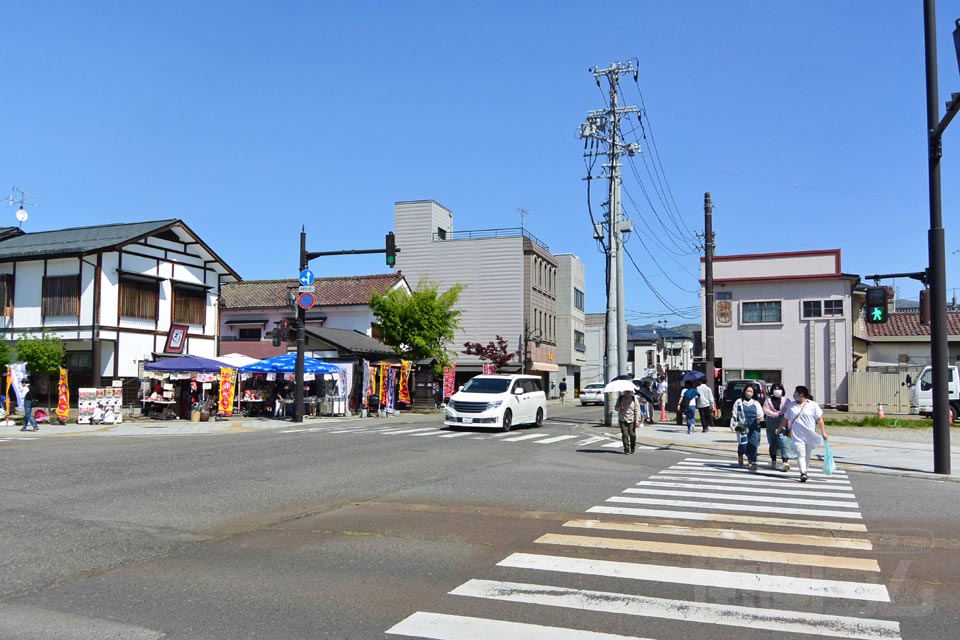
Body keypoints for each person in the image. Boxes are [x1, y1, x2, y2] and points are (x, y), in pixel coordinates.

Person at [782, 385, 829, 482]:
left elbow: (819, 419)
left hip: (809, 435)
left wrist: (823, 432)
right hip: (797, 435)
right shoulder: (792, 405)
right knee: (800, 453)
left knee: (807, 455)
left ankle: (805, 471)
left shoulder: (813, 405)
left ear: (802, 394)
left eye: (796, 392)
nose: (794, 394)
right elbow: (786, 418)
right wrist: (779, 428)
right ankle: (802, 472)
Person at [731, 384, 764, 469]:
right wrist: (733, 424)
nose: (749, 393)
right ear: (744, 391)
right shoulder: (739, 402)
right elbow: (734, 413)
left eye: (751, 391)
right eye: (748, 391)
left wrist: (759, 417)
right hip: (742, 426)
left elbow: (761, 413)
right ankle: (740, 454)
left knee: (753, 444)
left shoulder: (756, 403)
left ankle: (750, 462)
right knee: (743, 444)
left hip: (754, 426)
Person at [763, 383, 791, 471]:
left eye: (779, 388)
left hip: (783, 422)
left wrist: (780, 413)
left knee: (784, 441)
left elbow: (788, 409)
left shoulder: (786, 400)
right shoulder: (768, 400)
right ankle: (773, 460)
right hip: (771, 422)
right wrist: (773, 414)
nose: (777, 390)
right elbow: (766, 409)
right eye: (775, 388)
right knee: (773, 441)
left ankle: (785, 461)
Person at [616, 389, 642, 454]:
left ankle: (633, 446)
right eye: (626, 392)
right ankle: (626, 448)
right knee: (625, 434)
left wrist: (637, 420)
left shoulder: (633, 398)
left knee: (632, 434)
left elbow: (637, 409)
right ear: (624, 392)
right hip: (622, 418)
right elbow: (616, 407)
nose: (628, 393)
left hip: (632, 418)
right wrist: (620, 408)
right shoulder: (620, 398)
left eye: (629, 392)